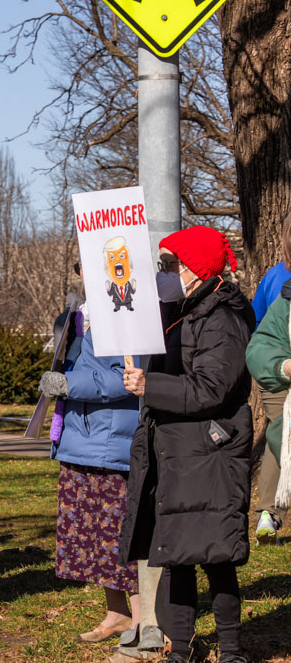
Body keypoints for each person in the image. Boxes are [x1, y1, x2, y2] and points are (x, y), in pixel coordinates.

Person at [120, 226, 254, 663]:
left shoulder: (224, 318)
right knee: (178, 553)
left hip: (209, 452)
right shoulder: (181, 311)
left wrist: (150, 385)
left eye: (172, 265)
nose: (166, 273)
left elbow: (212, 387)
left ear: (197, 270)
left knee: (216, 555)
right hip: (176, 449)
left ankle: (231, 650)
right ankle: (182, 650)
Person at [38, 312, 140, 643]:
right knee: (95, 538)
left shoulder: (126, 315)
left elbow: (124, 378)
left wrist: (68, 384)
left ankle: (142, 618)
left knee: (120, 538)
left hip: (110, 442)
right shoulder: (81, 316)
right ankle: (117, 613)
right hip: (80, 440)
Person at [247, 214, 291, 543]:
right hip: (278, 365)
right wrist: (279, 365)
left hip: (275, 363)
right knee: (281, 433)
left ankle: (269, 513)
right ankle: (269, 513)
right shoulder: (277, 278)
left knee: (279, 437)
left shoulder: (272, 274)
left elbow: (254, 318)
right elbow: (259, 326)